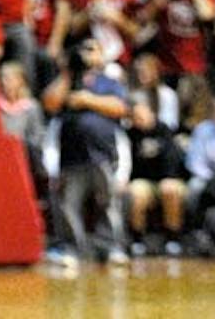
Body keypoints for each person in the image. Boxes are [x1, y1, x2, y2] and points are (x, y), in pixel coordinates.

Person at [44, 37, 129, 264]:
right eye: (83, 49)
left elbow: (120, 108)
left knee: (108, 204)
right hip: (71, 156)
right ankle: (71, 249)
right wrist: (67, 72)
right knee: (68, 205)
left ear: (101, 56)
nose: (86, 54)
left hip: (103, 154)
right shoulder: (66, 80)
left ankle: (111, 248)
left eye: (92, 49)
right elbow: (50, 103)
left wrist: (88, 100)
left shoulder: (109, 82)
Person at [125, 97, 186, 256]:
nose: (139, 119)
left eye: (141, 115)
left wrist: (169, 177)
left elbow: (173, 158)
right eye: (135, 117)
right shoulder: (130, 135)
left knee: (169, 190)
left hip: (168, 179)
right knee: (135, 192)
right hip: (143, 180)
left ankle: (173, 238)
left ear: (152, 114)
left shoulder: (165, 130)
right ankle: (137, 239)